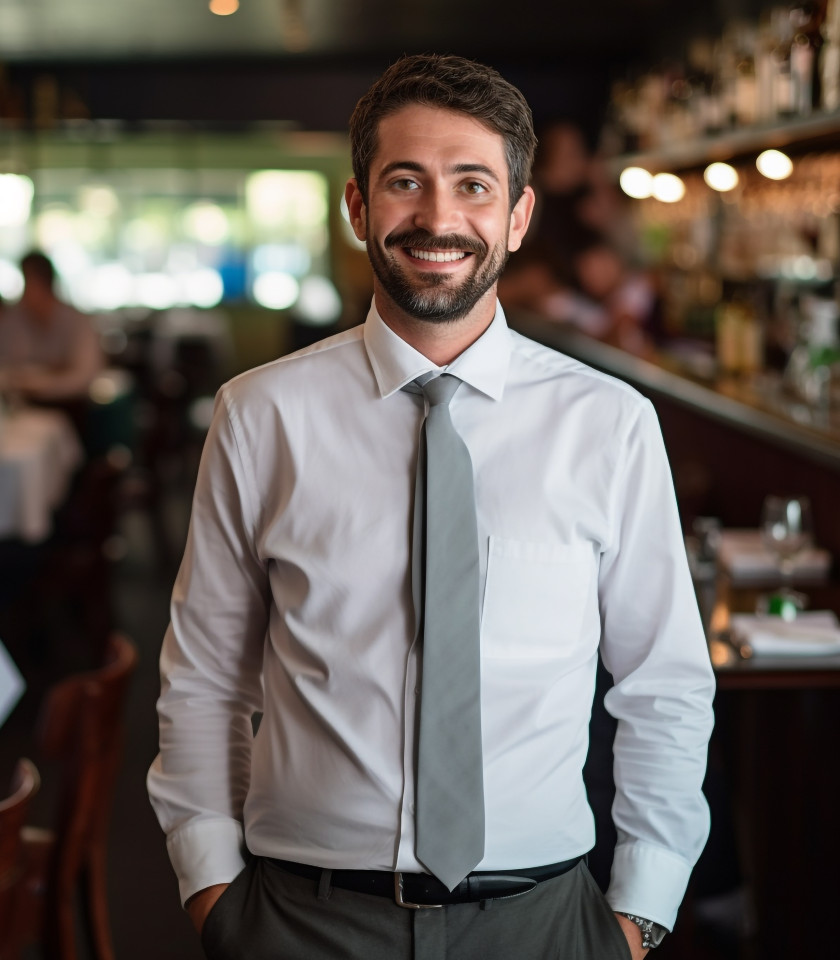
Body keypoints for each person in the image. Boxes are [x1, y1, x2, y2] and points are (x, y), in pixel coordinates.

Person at [148, 54, 714, 960]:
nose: (439, 219)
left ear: (519, 216)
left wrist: (638, 915)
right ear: (359, 207)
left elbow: (664, 685)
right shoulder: (260, 414)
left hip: (546, 923)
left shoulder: (610, 424)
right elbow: (207, 676)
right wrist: (212, 888)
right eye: (405, 182)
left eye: (474, 186)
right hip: (301, 919)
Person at [0, 251, 103, 402]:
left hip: (74, 407)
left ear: (44, 284)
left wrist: (41, 384)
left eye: (25, 283)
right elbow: (4, 365)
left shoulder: (76, 321)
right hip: (26, 405)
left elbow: (86, 376)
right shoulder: (16, 318)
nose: (21, 293)